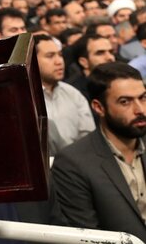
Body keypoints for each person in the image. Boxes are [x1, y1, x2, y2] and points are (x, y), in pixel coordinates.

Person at [52, 62, 146, 241]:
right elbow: (87, 237)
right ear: (98, 107)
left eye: (143, 98)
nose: (140, 110)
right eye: (125, 102)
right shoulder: (73, 163)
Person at [34, 34, 95, 152]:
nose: (59, 61)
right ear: (33, 61)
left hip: (77, 163)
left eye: (60, 55)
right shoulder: (24, 99)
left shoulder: (72, 93)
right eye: (50, 56)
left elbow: (88, 137)